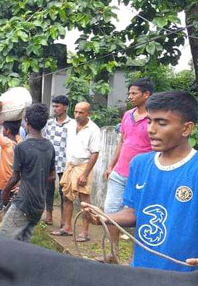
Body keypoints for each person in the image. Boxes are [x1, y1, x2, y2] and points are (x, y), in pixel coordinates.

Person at [83, 91, 197, 271]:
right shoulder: (139, 164)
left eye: (162, 123)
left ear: (186, 129)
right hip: (142, 270)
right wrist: (104, 218)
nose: (151, 129)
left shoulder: (194, 169)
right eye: (149, 121)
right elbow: (133, 212)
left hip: (183, 276)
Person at [101, 78, 154, 261]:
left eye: (134, 93)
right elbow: (122, 142)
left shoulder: (154, 119)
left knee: (140, 217)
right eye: (129, 93)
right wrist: (111, 165)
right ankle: (113, 253)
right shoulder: (127, 115)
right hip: (119, 172)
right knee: (111, 213)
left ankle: (135, 258)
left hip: (141, 177)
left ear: (146, 94)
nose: (130, 96)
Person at [0, 104, 55, 242]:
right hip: (39, 205)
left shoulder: (22, 147)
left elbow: (15, 177)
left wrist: (5, 193)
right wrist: (31, 181)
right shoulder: (49, 146)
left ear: (26, 122)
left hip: (23, 203)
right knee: (23, 243)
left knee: (0, 240)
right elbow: (52, 176)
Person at [54, 102, 101, 241]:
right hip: (70, 165)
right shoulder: (70, 126)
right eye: (76, 112)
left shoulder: (94, 129)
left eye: (81, 112)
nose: (78, 115)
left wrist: (85, 174)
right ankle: (67, 227)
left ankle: (85, 232)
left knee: (84, 200)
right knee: (67, 197)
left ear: (88, 114)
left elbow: (95, 153)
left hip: (83, 166)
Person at [42, 95, 73, 227]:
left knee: (64, 192)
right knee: (48, 189)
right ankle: (48, 215)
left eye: (57, 106)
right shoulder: (49, 123)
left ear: (65, 107)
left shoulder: (72, 124)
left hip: (65, 162)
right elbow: (44, 139)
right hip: (50, 161)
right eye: (53, 106)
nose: (55, 109)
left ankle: (63, 219)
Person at [0, 102, 23, 209]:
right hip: (16, 184)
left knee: (0, 208)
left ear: (7, 130)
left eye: (3, 128)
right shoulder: (20, 142)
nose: (2, 130)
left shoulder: (6, 143)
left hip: (3, 184)